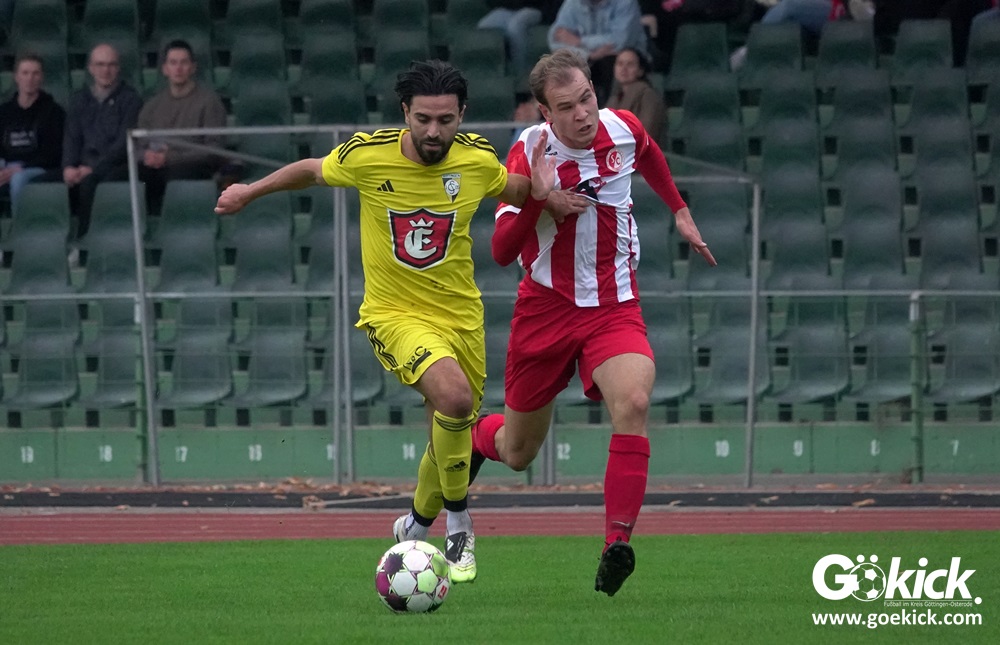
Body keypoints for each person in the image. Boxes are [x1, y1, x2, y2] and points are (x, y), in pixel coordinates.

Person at [214, 60, 579, 583]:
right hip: (395, 315)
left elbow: (514, 191)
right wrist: (249, 191)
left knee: (448, 431)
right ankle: (459, 522)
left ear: (462, 115)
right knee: (455, 400)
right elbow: (311, 170)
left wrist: (546, 194)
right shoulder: (368, 155)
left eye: (446, 120)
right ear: (405, 112)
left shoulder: (476, 160)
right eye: (423, 119)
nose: (434, 131)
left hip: (461, 318)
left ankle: (416, 523)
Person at [468, 49, 716, 596]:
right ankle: (474, 438)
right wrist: (540, 200)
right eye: (566, 106)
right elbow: (503, 251)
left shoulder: (621, 127)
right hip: (545, 310)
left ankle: (616, 543)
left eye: (586, 98)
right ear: (545, 112)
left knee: (634, 402)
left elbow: (647, 152)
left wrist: (678, 209)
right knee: (517, 452)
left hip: (614, 306)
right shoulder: (529, 152)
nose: (582, 113)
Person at [62, 43, 143, 241]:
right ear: (91, 68)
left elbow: (123, 144)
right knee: (40, 184)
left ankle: (84, 242)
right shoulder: (79, 100)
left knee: (90, 183)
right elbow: (71, 138)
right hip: (81, 166)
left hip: (113, 166)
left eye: (111, 65)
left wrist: (93, 168)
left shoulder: (131, 100)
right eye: (100, 64)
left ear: (118, 68)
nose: (105, 70)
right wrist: (68, 167)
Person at [137, 39, 227, 215]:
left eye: (184, 63)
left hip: (194, 166)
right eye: (173, 63)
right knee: (128, 176)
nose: (178, 68)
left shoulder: (209, 102)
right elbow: (138, 144)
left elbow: (213, 149)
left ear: (193, 67)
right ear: (165, 69)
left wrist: (170, 158)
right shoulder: (152, 106)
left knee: (175, 175)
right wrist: (146, 156)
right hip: (156, 167)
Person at [548, 0, 649, 106]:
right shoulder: (573, 3)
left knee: (610, 60)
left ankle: (606, 110)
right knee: (561, 62)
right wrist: (588, 55)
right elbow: (556, 39)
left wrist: (579, 41)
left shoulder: (626, 3)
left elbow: (620, 41)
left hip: (624, 55)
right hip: (587, 57)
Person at [0, 54, 65, 217]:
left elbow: (53, 155)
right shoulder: (4, 112)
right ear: (16, 77)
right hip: (7, 165)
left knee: (18, 179)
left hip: (37, 168)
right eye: (25, 73)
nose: (30, 78)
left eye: (35, 73)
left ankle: (20, 228)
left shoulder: (54, 112)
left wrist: (20, 168)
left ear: (41, 77)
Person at [477, 1, 562, 78]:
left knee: (516, 26)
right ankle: (494, 75)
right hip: (509, 8)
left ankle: (520, 74)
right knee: (484, 25)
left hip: (535, 9)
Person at [606, 47, 666, 143]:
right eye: (620, 64)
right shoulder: (614, 99)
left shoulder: (648, 96)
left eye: (630, 64)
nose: (624, 69)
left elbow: (647, 132)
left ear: (640, 71)